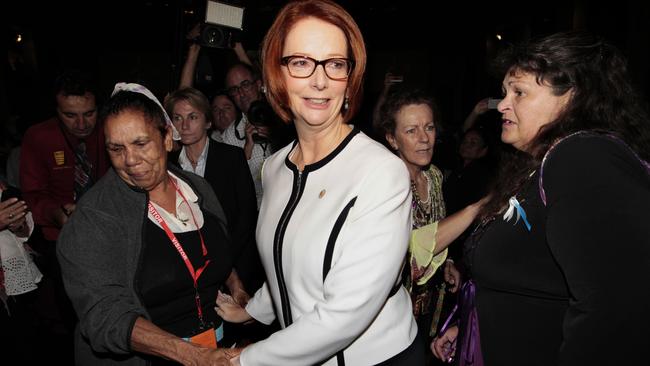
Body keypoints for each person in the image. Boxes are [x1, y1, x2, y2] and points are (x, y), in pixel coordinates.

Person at [215, 1, 422, 364]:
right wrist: (255, 309)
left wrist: (242, 360)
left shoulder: (382, 173)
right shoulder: (275, 167)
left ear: (350, 78)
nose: (320, 79)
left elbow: (344, 315)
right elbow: (287, 254)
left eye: (335, 64)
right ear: (277, 75)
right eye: (300, 62)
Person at [432, 31, 650, 365]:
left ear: (571, 98)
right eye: (504, 92)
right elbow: (535, 283)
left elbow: (615, 311)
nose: (502, 104)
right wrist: (473, 324)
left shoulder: (583, 157)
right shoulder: (537, 166)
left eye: (519, 92)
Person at [57, 83, 245, 365]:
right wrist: (193, 356)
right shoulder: (94, 218)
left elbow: (215, 249)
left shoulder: (198, 189)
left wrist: (238, 288)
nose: (130, 160)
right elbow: (106, 316)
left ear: (168, 138)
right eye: (116, 149)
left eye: (140, 143)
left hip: (216, 347)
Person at [374, 88, 484, 359]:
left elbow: (436, 225)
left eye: (429, 127)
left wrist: (446, 263)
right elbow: (408, 250)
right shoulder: (384, 183)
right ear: (392, 139)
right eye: (411, 130)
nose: (424, 139)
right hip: (392, 312)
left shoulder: (434, 176)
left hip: (431, 306)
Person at [164, 87, 263, 294]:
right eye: (178, 118)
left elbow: (246, 215)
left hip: (235, 263)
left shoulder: (232, 157)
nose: (185, 125)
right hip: (188, 269)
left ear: (208, 122)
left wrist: (223, 260)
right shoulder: (168, 166)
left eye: (193, 117)